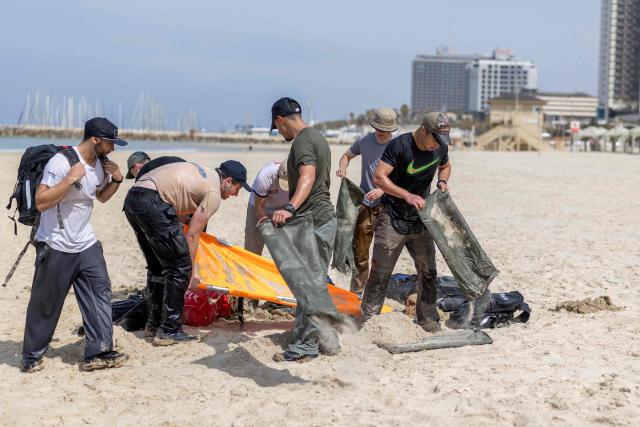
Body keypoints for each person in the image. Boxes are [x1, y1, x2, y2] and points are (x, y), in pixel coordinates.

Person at [21, 117, 129, 373]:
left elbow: (100, 198)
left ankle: (99, 351)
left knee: (100, 294)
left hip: (86, 242)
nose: (113, 148)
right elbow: (41, 201)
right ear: (95, 139)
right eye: (110, 143)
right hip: (56, 243)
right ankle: (32, 355)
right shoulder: (60, 162)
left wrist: (115, 180)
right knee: (46, 303)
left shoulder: (102, 164)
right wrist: (69, 179)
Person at [123, 160, 250, 345]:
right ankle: (169, 330)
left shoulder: (203, 173)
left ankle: (153, 324)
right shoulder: (213, 192)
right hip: (152, 200)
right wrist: (190, 273)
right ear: (227, 181)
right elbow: (192, 235)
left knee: (157, 266)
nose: (236, 195)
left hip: (134, 198)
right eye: (237, 188)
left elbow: (175, 203)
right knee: (179, 266)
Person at [360, 112, 453, 332]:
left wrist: (442, 181)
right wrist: (406, 195)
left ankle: (428, 319)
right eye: (435, 140)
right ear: (423, 130)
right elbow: (379, 177)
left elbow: (446, 166)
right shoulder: (400, 145)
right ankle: (368, 320)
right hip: (392, 216)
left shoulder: (440, 147)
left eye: (442, 141)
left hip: (421, 219)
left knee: (428, 271)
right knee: (381, 271)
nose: (437, 146)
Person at [269, 97, 340, 362]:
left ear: (280, 119)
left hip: (315, 221)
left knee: (308, 286)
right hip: (320, 220)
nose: (280, 133)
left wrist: (289, 207)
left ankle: (305, 348)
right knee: (315, 284)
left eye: (277, 128)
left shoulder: (302, 141)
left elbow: (308, 175)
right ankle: (328, 340)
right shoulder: (316, 136)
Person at [336, 108, 397, 295]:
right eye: (378, 128)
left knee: (382, 254)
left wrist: (382, 190)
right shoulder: (364, 140)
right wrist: (342, 168)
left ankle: (375, 293)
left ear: (392, 129)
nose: (381, 132)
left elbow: (401, 175)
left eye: (385, 129)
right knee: (360, 253)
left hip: (387, 206)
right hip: (365, 205)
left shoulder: (397, 144)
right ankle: (357, 292)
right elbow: (346, 155)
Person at [244, 160, 289, 255]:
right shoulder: (265, 176)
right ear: (278, 174)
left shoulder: (301, 177)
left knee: (287, 248)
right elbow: (259, 208)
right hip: (260, 207)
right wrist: (268, 229)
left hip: (284, 208)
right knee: (252, 248)